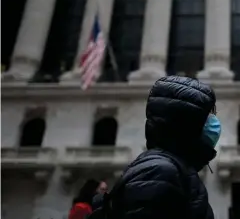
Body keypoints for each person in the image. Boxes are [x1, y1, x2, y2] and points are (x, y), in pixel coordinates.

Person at [92, 76, 220, 219]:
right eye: (208, 116)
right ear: (187, 123)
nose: (214, 123)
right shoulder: (160, 171)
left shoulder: (173, 168)